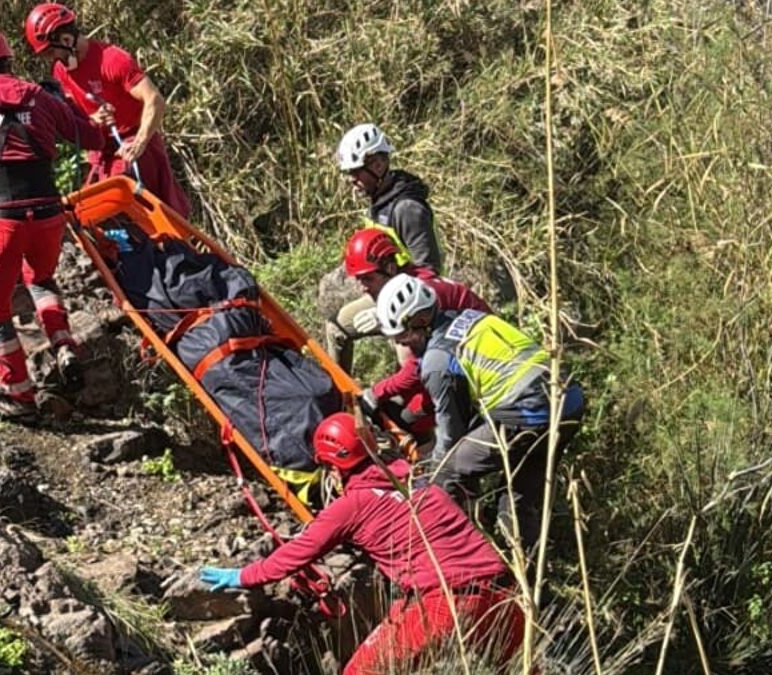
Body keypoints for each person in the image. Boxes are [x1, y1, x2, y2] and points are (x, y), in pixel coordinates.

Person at [198, 412, 523, 674]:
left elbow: (296, 553)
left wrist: (243, 576)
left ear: (332, 466)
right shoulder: (422, 484)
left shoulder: (352, 505)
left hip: (443, 601)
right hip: (502, 592)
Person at [0, 26, 107, 419]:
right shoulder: (40, 96)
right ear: (9, 60)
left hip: (4, 217)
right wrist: (72, 107)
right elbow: (91, 138)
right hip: (49, 215)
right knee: (41, 279)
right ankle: (64, 345)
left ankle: (19, 395)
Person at [375, 274, 585, 552]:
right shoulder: (470, 318)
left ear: (421, 320)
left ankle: (453, 552)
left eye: (403, 336)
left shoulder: (437, 360)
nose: (403, 345)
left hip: (530, 412)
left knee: (449, 470)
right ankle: (526, 568)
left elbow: (451, 437)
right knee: (517, 500)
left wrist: (428, 477)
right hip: (568, 402)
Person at [23, 3, 192, 219]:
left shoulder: (113, 60)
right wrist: (93, 118)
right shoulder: (61, 71)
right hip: (102, 150)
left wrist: (139, 143)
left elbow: (155, 100)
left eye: (51, 52)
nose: (51, 59)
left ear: (65, 39)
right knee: (88, 214)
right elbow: (76, 114)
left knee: (137, 212)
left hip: (133, 145)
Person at [342, 228, 489, 435]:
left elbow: (416, 370)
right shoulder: (410, 284)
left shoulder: (422, 300)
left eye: (368, 279)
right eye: (359, 280)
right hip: (455, 352)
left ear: (390, 268)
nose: (362, 287)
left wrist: (375, 393)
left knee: (409, 419)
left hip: (475, 362)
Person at [326, 123, 442, 374]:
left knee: (407, 365)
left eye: (356, 172)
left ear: (378, 165)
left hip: (411, 302)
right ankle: (340, 391)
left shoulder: (408, 210)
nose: (351, 180)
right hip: (384, 291)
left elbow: (430, 274)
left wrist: (385, 314)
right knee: (337, 328)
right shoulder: (379, 200)